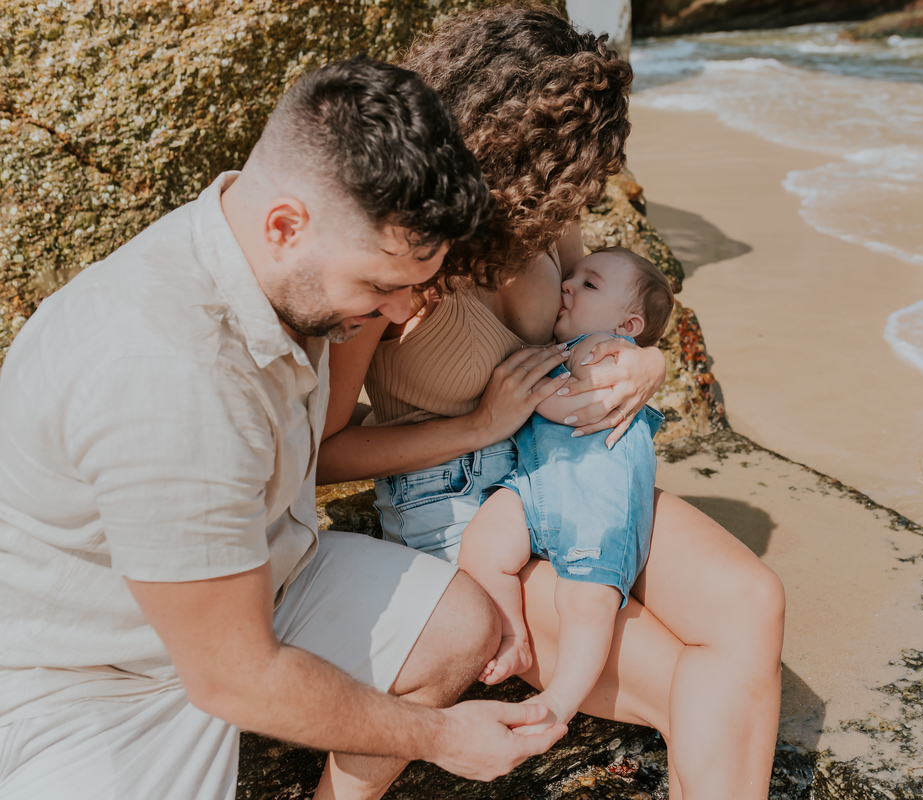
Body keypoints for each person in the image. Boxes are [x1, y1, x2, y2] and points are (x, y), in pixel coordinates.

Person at [0, 57, 567, 800]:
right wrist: (443, 738)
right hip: (94, 676)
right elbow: (234, 676)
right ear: (285, 226)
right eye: (381, 286)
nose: (400, 313)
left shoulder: (267, 255)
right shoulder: (170, 375)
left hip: (265, 570)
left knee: (458, 625)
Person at [318, 8, 787, 799]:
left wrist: (646, 361)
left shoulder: (543, 215)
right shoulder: (392, 245)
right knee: (690, 686)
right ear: (508, 142)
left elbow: (607, 308)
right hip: (466, 519)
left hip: (567, 472)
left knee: (752, 601)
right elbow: (321, 450)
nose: (580, 193)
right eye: (567, 169)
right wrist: (477, 425)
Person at [460, 247, 673, 734]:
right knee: (482, 546)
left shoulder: (606, 353)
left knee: (585, 603)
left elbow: (577, 406)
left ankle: (562, 700)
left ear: (629, 325)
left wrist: (520, 384)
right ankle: (512, 633)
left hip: (593, 508)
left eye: (590, 285)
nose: (568, 286)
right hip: (535, 487)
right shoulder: (582, 345)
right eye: (571, 277)